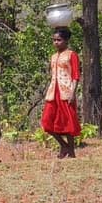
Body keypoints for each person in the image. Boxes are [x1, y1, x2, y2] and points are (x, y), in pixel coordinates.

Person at [41, 27, 81, 158]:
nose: (56, 42)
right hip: (53, 92)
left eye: (59, 40)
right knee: (47, 122)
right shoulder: (53, 57)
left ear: (66, 40)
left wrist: (73, 92)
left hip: (66, 91)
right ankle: (64, 146)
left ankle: (71, 152)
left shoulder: (71, 55)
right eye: (54, 40)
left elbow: (75, 75)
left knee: (68, 122)